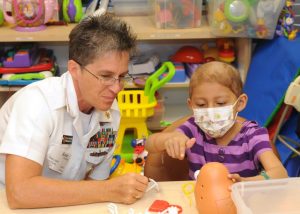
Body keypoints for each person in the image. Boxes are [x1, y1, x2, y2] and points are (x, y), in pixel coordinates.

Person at [0, 14, 149, 209]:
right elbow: (19, 192)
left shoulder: (110, 111)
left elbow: (94, 185)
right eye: (105, 76)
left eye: (121, 76)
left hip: (65, 206)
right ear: (74, 69)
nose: (116, 88)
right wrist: (108, 189)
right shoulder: (37, 103)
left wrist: (106, 189)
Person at [146, 61, 288, 182]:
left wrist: (246, 182)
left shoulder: (253, 135)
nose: (210, 111)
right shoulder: (191, 129)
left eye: (220, 103)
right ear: (191, 105)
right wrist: (169, 139)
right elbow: (149, 144)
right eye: (201, 104)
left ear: (240, 103)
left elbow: (280, 173)